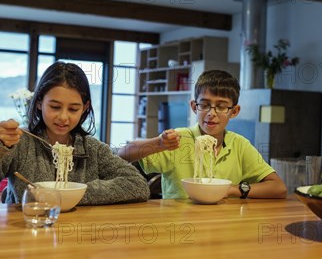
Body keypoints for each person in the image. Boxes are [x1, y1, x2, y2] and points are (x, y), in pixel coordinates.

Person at [0, 61, 150, 205]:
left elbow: (137, 186)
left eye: (73, 109)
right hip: (25, 235)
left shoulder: (92, 148)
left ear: (85, 108)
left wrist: (71, 194)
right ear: (39, 103)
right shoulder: (20, 144)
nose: (63, 117)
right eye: (55, 106)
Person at [118, 70, 287, 199]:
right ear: (194, 106)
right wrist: (158, 144)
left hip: (224, 225)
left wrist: (232, 189)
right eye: (205, 105)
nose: (211, 113)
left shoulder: (239, 145)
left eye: (221, 106)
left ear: (234, 111)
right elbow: (123, 155)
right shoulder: (178, 139)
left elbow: (279, 188)